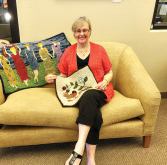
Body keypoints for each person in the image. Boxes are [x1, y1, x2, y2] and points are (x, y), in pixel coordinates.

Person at [45, 16, 114, 165]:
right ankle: (91, 159)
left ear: (90, 32)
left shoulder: (100, 50)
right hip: (78, 92)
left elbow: (110, 72)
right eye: (78, 31)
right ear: (74, 33)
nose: (81, 33)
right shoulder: (69, 52)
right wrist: (53, 78)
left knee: (90, 96)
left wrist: (105, 81)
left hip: (98, 89)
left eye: (84, 30)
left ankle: (78, 148)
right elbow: (64, 76)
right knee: (96, 116)